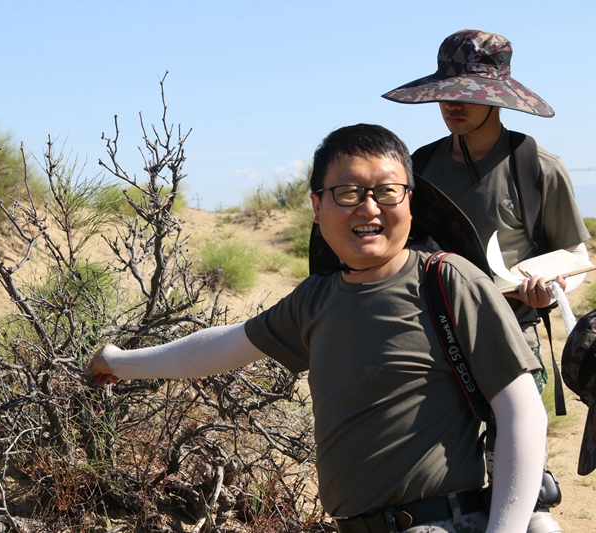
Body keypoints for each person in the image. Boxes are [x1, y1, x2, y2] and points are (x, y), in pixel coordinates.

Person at [87, 124, 548, 533]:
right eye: (347, 193)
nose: (369, 208)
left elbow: (521, 411)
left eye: (387, 192)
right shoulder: (316, 299)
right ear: (316, 205)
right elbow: (220, 347)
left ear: (411, 201)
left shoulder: (448, 280)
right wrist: (120, 362)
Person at [381, 29, 592, 392]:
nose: (451, 105)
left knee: (509, 448)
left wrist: (550, 289)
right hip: (431, 341)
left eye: (465, 95)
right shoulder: (419, 168)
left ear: (498, 100)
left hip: (512, 337)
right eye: (444, 94)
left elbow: (575, 254)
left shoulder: (538, 168)